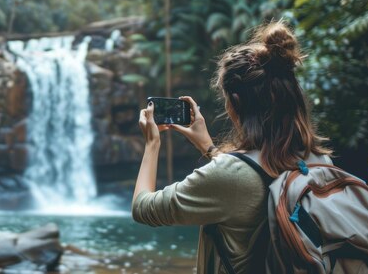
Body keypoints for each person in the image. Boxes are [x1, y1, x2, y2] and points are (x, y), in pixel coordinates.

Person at [131, 21, 333, 274]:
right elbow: (253, 174)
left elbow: (143, 208)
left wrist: (152, 144)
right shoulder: (319, 163)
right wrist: (208, 147)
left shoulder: (228, 176)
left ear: (234, 103)